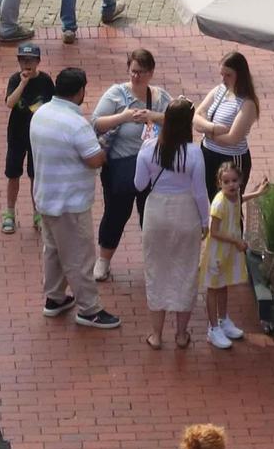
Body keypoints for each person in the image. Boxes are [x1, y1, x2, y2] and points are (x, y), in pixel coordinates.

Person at [30, 64, 119, 328]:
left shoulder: (41, 113)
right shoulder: (77, 125)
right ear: (80, 91)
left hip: (45, 198)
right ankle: (89, 309)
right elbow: (95, 160)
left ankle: (55, 298)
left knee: (53, 251)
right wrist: (105, 146)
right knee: (79, 257)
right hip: (70, 205)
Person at [134, 99, 209, 347]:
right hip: (186, 213)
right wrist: (205, 221)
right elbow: (200, 193)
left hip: (156, 213)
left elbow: (139, 185)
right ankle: (181, 334)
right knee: (186, 271)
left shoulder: (148, 148)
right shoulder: (194, 153)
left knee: (156, 271)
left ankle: (156, 335)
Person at [90, 45, 167, 284]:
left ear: (151, 73)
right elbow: (96, 123)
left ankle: (154, 263)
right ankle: (103, 261)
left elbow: (177, 120)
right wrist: (123, 117)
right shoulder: (116, 94)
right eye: (133, 71)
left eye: (141, 72)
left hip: (152, 168)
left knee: (151, 217)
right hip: (120, 167)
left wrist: (153, 117)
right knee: (115, 214)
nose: (136, 76)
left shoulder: (160, 97)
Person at [2, 37, 55, 232]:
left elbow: (53, 105)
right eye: (23, 60)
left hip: (38, 136)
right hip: (17, 134)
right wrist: (22, 84)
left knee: (36, 175)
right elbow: (10, 103)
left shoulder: (45, 81)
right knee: (13, 174)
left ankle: (37, 213)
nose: (26, 64)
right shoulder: (15, 80)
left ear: (38, 61)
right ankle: (9, 213)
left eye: (30, 60)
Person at [194, 52, 260, 200]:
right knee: (211, 201)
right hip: (208, 153)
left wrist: (207, 132)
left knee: (230, 202)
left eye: (228, 75)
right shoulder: (220, 90)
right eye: (222, 75)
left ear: (240, 75)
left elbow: (232, 138)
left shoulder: (247, 103)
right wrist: (212, 128)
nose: (223, 79)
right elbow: (197, 116)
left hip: (230, 159)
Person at [202, 161, 248, 350]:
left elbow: (241, 199)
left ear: (240, 181)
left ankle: (223, 320)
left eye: (234, 181)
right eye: (226, 181)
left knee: (223, 285)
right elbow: (214, 231)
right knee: (213, 288)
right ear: (219, 183)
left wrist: (258, 193)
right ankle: (213, 328)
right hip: (216, 254)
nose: (231, 185)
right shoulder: (219, 203)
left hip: (227, 253)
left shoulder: (235, 196)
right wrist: (236, 241)